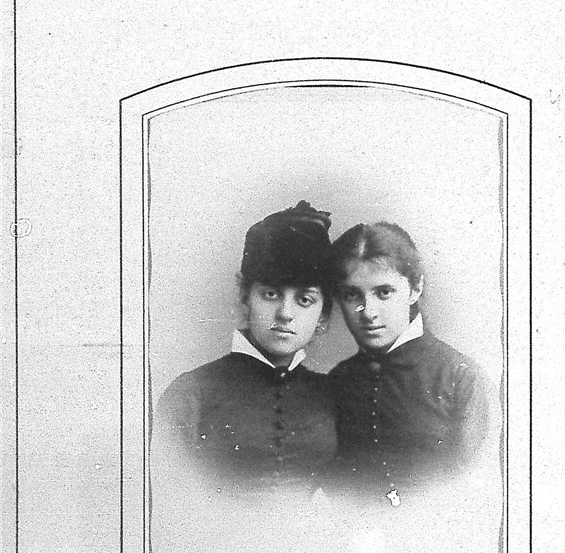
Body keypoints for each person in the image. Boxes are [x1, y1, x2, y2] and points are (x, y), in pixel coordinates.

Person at [154, 201, 337, 496]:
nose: (285, 313)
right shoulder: (190, 394)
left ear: (323, 315)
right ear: (245, 297)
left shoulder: (334, 396)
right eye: (271, 294)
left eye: (304, 300)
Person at [327, 222, 497, 508]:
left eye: (384, 292)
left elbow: (474, 493)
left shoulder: (462, 379)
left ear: (415, 288)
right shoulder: (338, 380)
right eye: (352, 295)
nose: (368, 312)